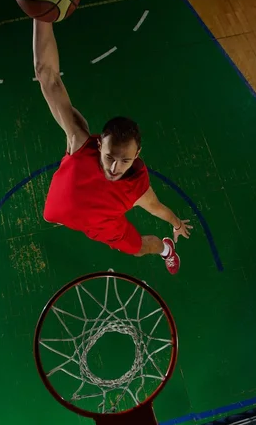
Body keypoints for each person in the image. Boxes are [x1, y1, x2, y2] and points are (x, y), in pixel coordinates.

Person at [33, 20, 193, 274]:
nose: (115, 168)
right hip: (70, 213)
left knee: (140, 248)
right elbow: (48, 77)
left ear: (137, 155)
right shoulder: (79, 142)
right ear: (99, 145)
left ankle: (165, 250)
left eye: (125, 160)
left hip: (105, 226)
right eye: (108, 157)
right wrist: (41, 16)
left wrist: (175, 224)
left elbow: (156, 207)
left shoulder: (136, 188)